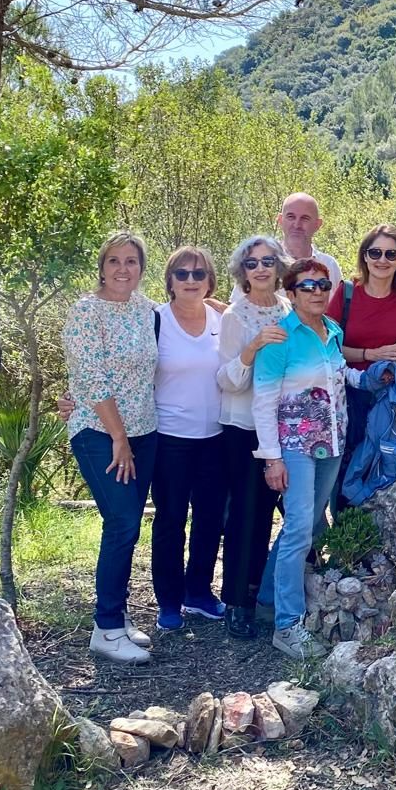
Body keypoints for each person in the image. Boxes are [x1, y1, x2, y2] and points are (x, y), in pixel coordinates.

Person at [252, 258, 357, 660]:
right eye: (307, 286)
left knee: (309, 526)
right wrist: (271, 459)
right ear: (291, 293)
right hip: (294, 448)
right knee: (298, 529)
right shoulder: (280, 338)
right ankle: (287, 626)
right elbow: (263, 401)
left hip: (332, 444)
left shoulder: (332, 332)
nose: (316, 291)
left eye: (322, 284)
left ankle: (266, 599)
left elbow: (339, 377)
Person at [62, 232, 160, 664]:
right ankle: (105, 627)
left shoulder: (144, 309)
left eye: (132, 261)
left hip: (145, 431)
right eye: (115, 261)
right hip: (100, 433)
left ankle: (117, 617)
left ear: (141, 268)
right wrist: (119, 437)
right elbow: (92, 379)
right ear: (101, 267)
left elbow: (189, 311)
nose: (124, 269)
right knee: (121, 522)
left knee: (130, 525)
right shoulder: (85, 312)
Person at [146, 246, 227, 632]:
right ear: (170, 282)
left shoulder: (222, 321)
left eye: (198, 274)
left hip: (215, 438)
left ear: (210, 281)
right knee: (170, 521)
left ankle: (198, 592)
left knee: (210, 519)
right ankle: (169, 601)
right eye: (182, 274)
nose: (191, 280)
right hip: (169, 439)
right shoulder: (155, 321)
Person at [214, 235, 289, 639]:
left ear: (279, 267)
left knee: (267, 513)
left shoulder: (289, 309)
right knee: (242, 515)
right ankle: (235, 603)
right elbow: (225, 379)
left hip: (283, 428)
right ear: (242, 272)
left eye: (267, 261)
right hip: (243, 430)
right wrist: (255, 346)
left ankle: (258, 590)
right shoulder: (235, 317)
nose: (260, 269)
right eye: (252, 263)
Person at [327, 223, 396, 460]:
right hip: (349, 398)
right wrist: (371, 354)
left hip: (391, 402)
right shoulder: (346, 294)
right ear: (365, 257)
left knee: (385, 468)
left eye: (390, 254)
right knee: (348, 469)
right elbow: (327, 350)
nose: (382, 260)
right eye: (375, 253)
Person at [277, 192, 342, 291]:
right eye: (291, 217)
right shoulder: (265, 265)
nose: (297, 224)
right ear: (280, 220)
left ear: (317, 224)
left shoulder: (330, 266)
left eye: (305, 218)